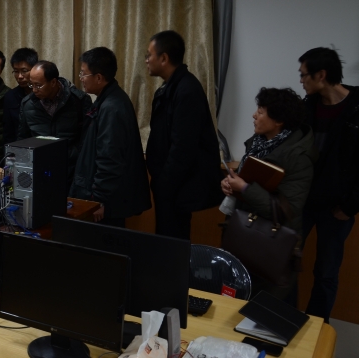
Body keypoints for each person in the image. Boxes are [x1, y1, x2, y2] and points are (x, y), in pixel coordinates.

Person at [222, 87, 317, 300]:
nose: (254, 115)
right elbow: (246, 180)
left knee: (266, 308)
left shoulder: (299, 157)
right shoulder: (258, 144)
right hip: (244, 234)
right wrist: (230, 184)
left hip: (272, 245)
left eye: (261, 111)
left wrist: (244, 188)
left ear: (279, 121)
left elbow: (288, 209)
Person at [298, 47, 358, 321]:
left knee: (326, 273)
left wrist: (350, 206)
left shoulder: (356, 108)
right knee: (284, 262)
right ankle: (282, 321)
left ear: (321, 75)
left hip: (337, 208)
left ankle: (316, 329)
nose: (301, 80)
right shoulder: (307, 106)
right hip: (303, 201)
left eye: (304, 75)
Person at [145, 30, 221, 240]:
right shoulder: (171, 87)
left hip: (175, 187)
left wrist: (164, 185)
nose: (146, 60)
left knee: (173, 244)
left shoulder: (187, 90)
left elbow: (183, 147)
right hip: (168, 186)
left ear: (164, 58)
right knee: (165, 242)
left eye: (149, 55)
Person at [70, 48, 152, 226]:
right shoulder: (108, 99)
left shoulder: (112, 107)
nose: (81, 78)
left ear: (99, 77)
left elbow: (110, 159)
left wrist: (99, 200)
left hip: (106, 202)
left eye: (83, 74)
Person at [17, 61, 91, 178]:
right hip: (40, 168)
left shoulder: (79, 100)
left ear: (53, 82)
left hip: (72, 170)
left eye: (38, 85)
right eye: (31, 85)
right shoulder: (27, 104)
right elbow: (23, 138)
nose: (34, 90)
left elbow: (87, 139)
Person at [3, 48, 38, 145]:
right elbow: (8, 132)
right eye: (16, 71)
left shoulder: (43, 93)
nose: (20, 76)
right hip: (19, 147)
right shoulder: (10, 96)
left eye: (24, 71)